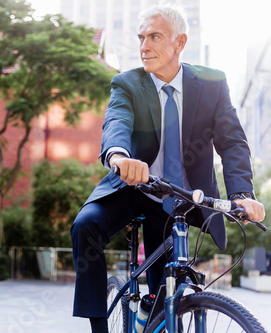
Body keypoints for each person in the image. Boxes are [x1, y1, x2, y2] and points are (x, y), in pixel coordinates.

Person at [70, 4, 265, 333]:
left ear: (180, 42)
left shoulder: (212, 84)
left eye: (155, 37)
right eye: (141, 38)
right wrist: (119, 157)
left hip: (181, 197)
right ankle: (99, 327)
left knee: (166, 293)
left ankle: (155, 313)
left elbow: (232, 142)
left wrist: (242, 194)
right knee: (85, 226)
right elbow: (116, 124)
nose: (144, 46)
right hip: (134, 188)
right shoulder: (128, 83)